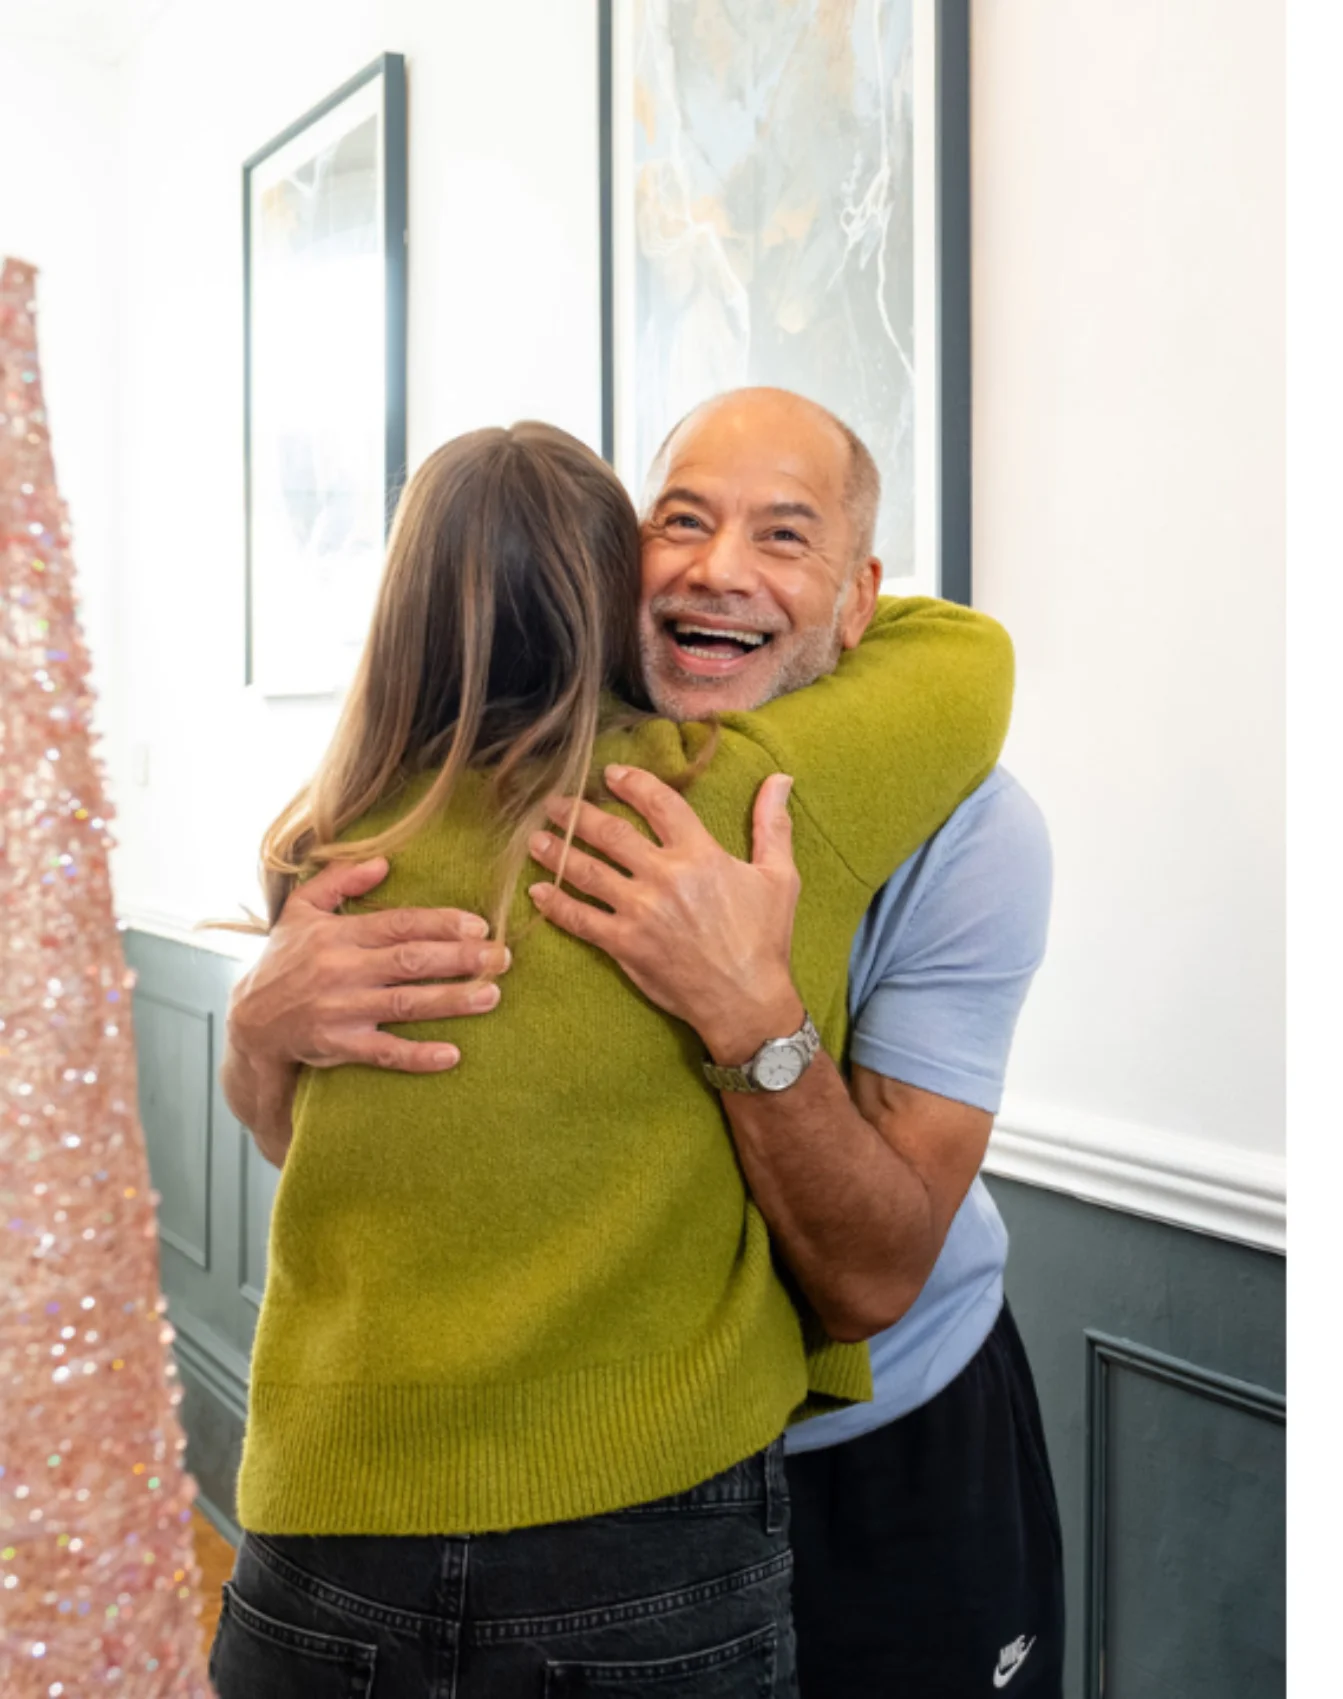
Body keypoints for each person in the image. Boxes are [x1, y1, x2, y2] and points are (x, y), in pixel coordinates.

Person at [216, 394, 1062, 1696]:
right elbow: (329, 1143)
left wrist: (750, 1007)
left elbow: (874, 1278)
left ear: (860, 597)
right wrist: (259, 1028)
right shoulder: (511, 777)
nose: (721, 566)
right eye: (681, 519)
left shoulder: (967, 826)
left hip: (886, 1430)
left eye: (785, 535)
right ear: (615, 574)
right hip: (644, 1492)